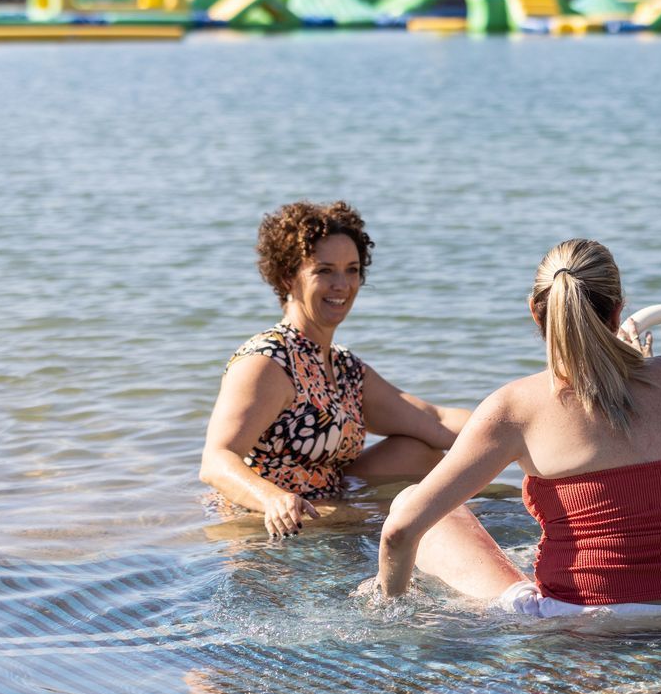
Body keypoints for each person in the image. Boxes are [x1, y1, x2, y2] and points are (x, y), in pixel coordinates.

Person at [370, 239, 661, 623]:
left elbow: (399, 534)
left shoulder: (515, 408)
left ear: (536, 313)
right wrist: (638, 361)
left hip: (585, 621)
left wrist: (390, 607)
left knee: (409, 501)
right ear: (618, 311)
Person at [200, 201, 471, 538]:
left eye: (352, 269)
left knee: (418, 452)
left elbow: (435, 420)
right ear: (288, 276)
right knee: (427, 519)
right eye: (324, 270)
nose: (342, 284)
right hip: (264, 525)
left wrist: (520, 433)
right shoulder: (268, 361)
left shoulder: (344, 368)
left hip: (328, 509)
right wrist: (273, 499)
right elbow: (215, 460)